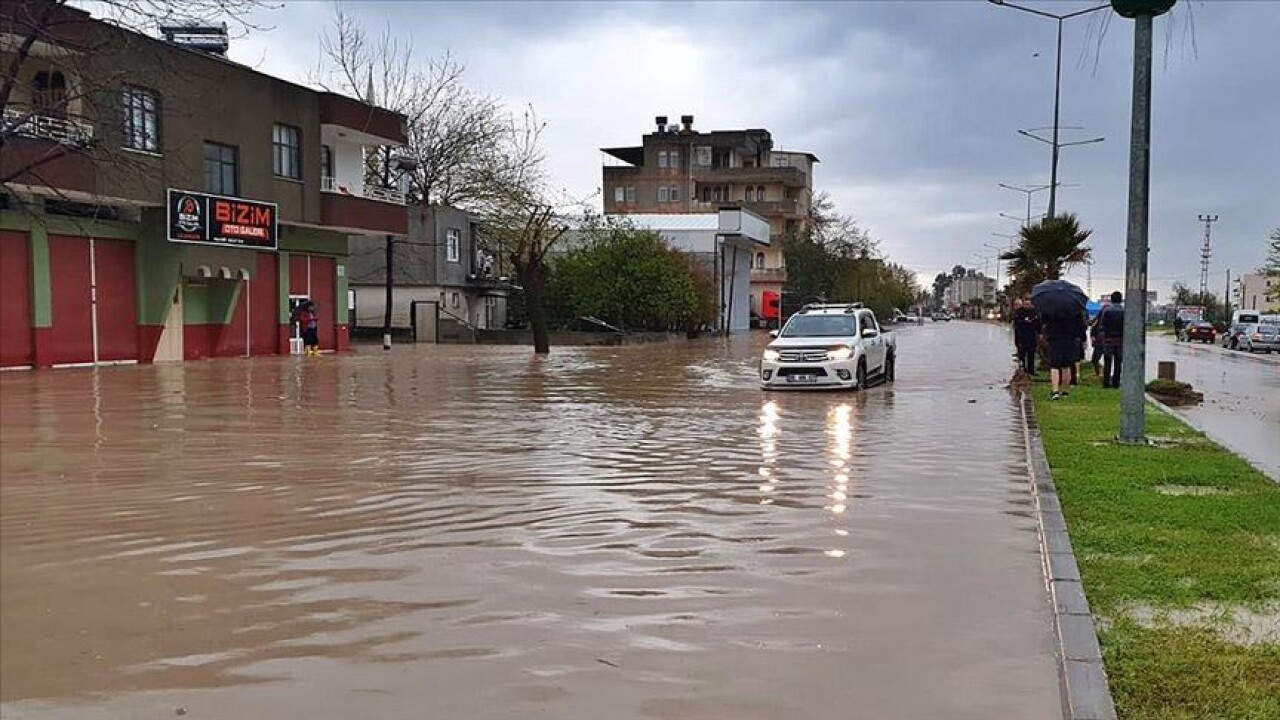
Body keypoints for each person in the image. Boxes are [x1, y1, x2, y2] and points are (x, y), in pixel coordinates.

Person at [1043, 305, 1085, 400]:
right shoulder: (1074, 308)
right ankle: (1065, 391)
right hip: (1070, 338)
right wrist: (1083, 338)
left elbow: (1044, 320)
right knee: (1066, 366)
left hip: (1054, 338)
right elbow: (1080, 325)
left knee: (1054, 366)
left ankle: (1055, 391)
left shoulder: (1052, 307)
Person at [1098, 291, 1125, 388]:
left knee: (1107, 361)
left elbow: (1102, 325)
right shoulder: (1124, 311)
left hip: (1108, 339)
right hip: (1120, 340)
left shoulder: (1107, 310)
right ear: (1121, 300)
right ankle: (1116, 382)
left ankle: (1106, 382)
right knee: (1118, 362)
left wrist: (1103, 337)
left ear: (1111, 300)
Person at [1012, 298, 1040, 375]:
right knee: (1022, 354)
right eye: (1025, 304)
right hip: (1021, 337)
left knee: (1031, 354)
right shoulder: (1019, 313)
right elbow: (1016, 324)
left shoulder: (1035, 312)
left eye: (1028, 304)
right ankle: (1023, 369)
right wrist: (1024, 322)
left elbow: (1038, 323)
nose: (1027, 306)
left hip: (1032, 336)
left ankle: (1031, 370)